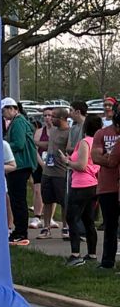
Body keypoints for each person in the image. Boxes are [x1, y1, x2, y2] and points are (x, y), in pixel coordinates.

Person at [63, 115, 102, 266]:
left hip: (81, 185)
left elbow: (81, 165)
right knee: (88, 220)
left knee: (72, 218)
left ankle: (75, 255)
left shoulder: (85, 142)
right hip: (94, 184)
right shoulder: (98, 143)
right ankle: (91, 254)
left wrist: (67, 161)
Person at [2, 98, 39, 245]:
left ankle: (21, 232)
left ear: (12, 109)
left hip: (19, 165)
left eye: (4, 111)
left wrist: (3, 145)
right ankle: (20, 230)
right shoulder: (20, 121)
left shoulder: (17, 123)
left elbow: (18, 143)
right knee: (18, 199)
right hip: (21, 165)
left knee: (18, 200)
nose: (3, 114)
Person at [92, 113, 120, 270]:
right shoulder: (101, 133)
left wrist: (110, 159)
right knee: (110, 225)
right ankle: (107, 262)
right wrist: (110, 161)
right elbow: (96, 157)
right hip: (107, 186)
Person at [37, 108, 71, 239]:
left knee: (64, 202)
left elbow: (70, 150)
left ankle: (66, 227)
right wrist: (34, 142)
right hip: (48, 171)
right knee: (47, 200)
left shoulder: (69, 132)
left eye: (54, 116)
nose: (51, 119)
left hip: (61, 172)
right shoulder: (54, 131)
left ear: (62, 118)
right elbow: (49, 145)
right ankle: (46, 228)